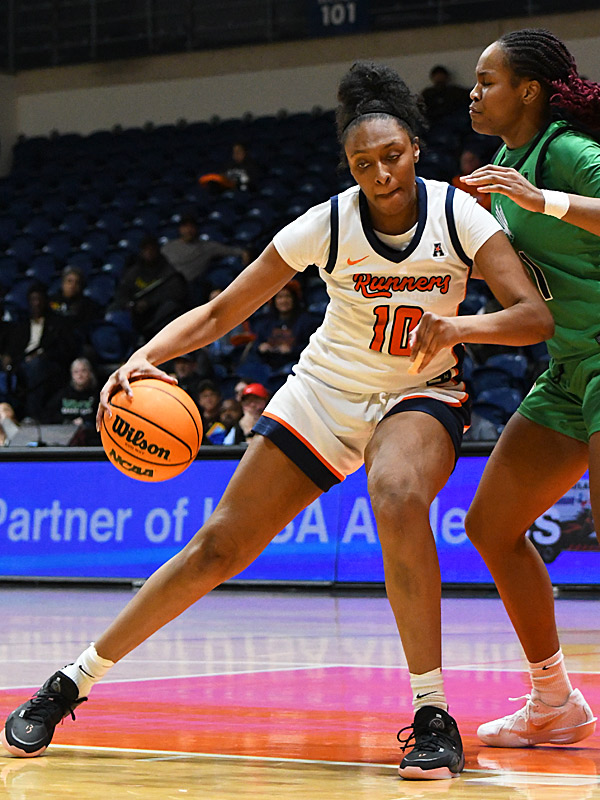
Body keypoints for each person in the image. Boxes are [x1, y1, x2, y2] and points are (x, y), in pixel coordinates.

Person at [1, 61, 553, 781]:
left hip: (419, 395)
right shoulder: (328, 223)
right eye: (364, 163)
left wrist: (460, 331)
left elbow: (532, 316)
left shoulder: (459, 215)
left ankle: (431, 712)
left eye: (391, 155)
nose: (381, 172)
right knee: (216, 549)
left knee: (394, 493)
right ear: (350, 168)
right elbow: (222, 311)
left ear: (415, 147)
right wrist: (141, 357)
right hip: (324, 393)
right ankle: (71, 681)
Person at [459, 27, 600, 748]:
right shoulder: (507, 164)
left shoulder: (567, 153)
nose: (473, 92)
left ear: (530, 90)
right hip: (569, 370)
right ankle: (554, 701)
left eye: (487, 80)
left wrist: (540, 200)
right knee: (489, 525)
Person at [111, 235, 187, 344]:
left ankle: (148, 335)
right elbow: (123, 292)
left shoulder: (167, 269)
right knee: (114, 310)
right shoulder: (135, 270)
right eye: (145, 249)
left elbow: (175, 292)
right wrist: (130, 304)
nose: (149, 253)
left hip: (158, 313)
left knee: (172, 306)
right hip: (136, 312)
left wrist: (149, 303)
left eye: (152, 249)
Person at [161, 215, 249, 289]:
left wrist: (244, 252)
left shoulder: (207, 247)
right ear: (180, 229)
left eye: (191, 227)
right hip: (165, 284)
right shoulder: (168, 246)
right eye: (185, 226)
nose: (188, 230)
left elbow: (230, 250)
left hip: (189, 287)